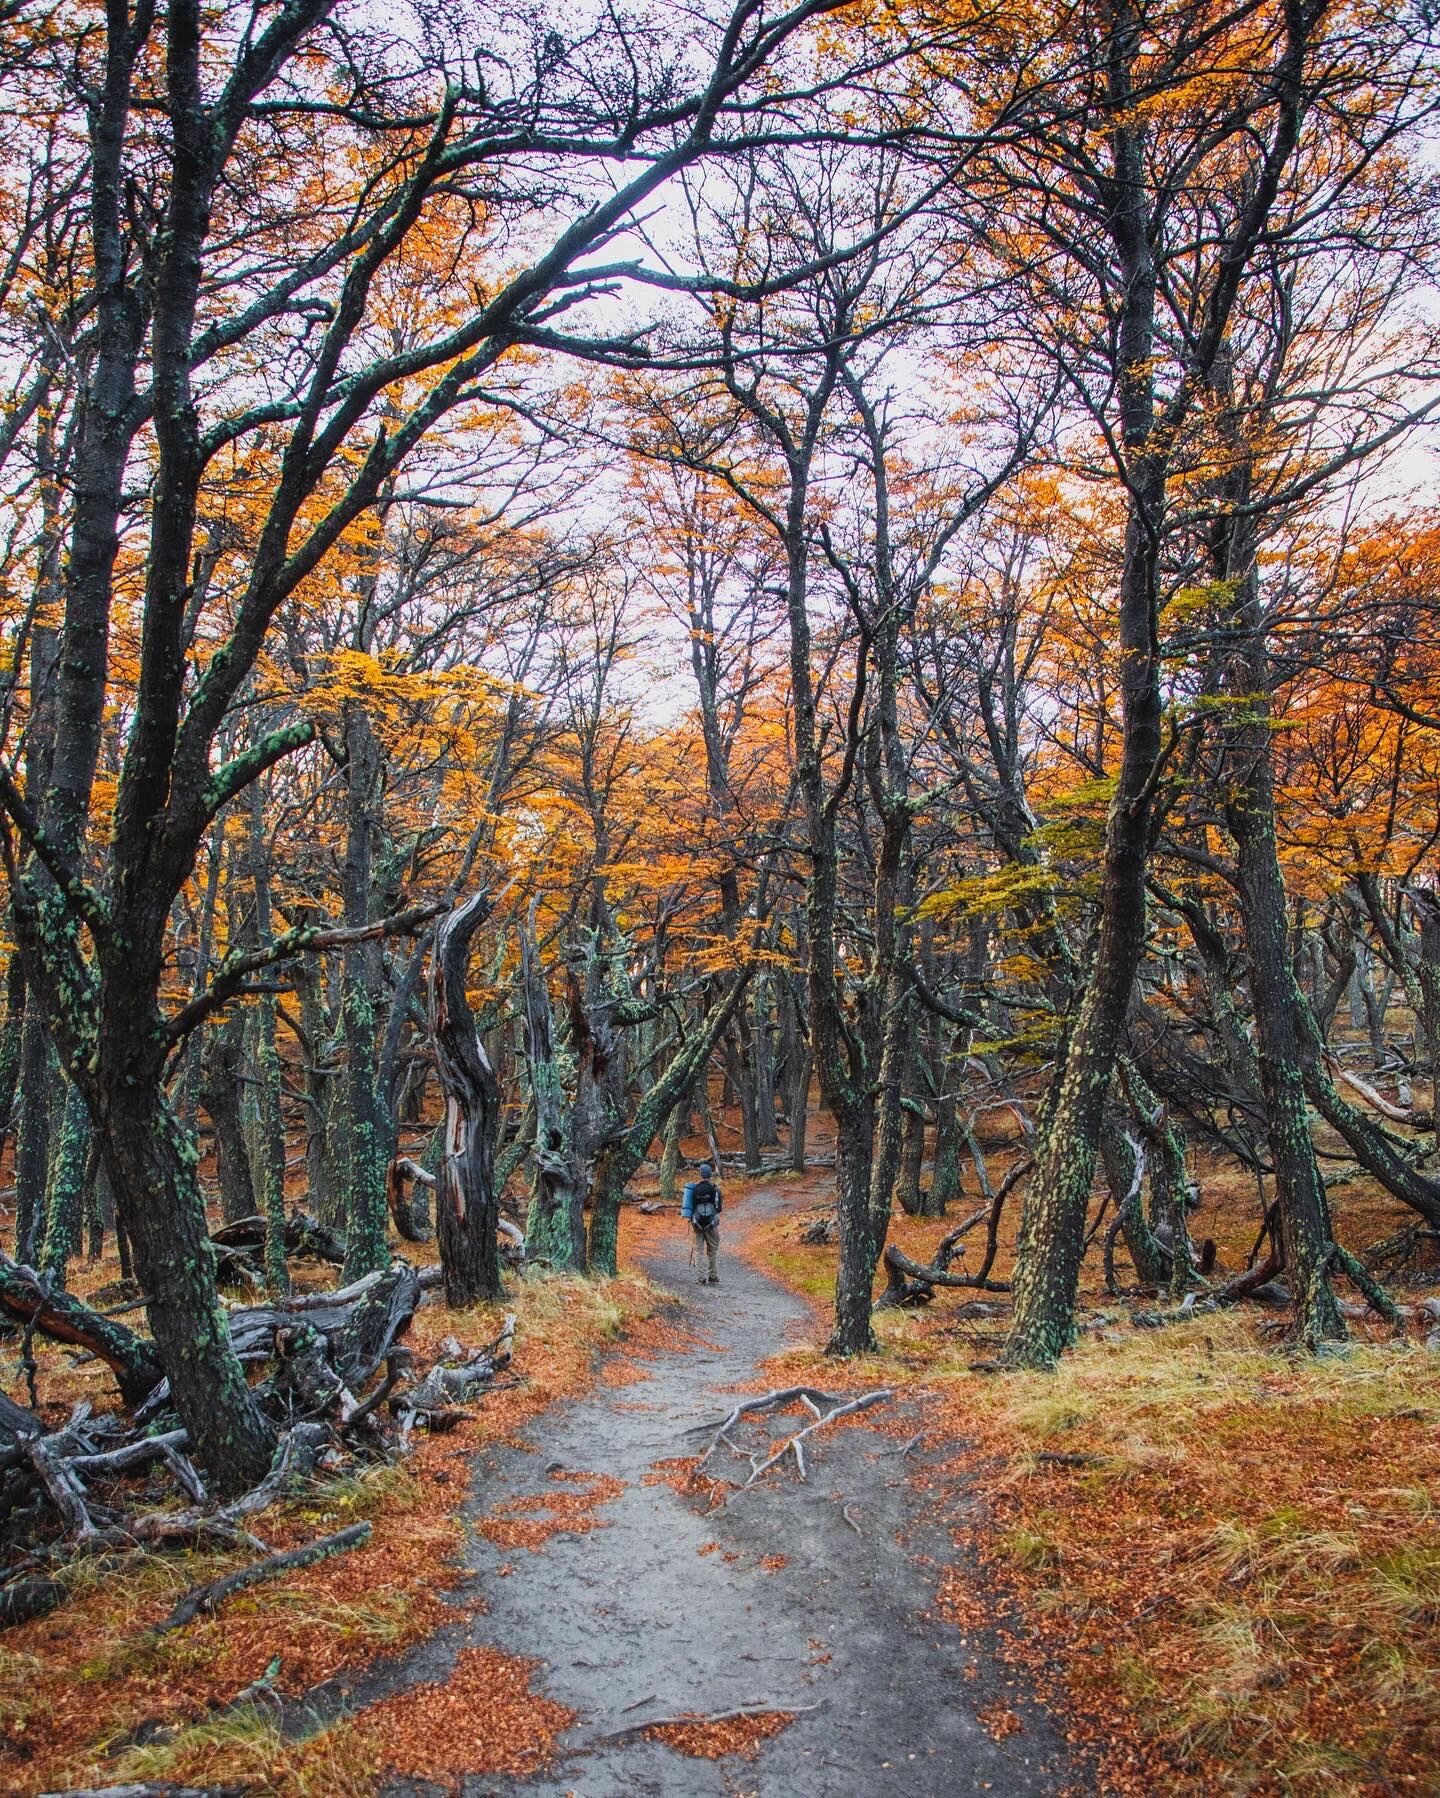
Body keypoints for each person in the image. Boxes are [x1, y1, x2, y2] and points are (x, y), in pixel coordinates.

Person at [681, 1161, 723, 1285]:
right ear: (710, 1174)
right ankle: (713, 1276)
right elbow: (719, 1208)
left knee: (699, 1250)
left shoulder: (695, 1189)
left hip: (697, 1225)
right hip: (711, 1225)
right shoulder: (715, 1189)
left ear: (701, 1175)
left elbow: (691, 1207)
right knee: (713, 1249)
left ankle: (701, 1277)